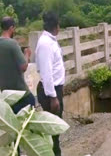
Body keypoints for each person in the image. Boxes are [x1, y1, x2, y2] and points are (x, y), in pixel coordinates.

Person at [36, 12, 65, 156]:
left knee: (55, 131)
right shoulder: (46, 43)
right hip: (50, 92)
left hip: (55, 90)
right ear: (56, 26)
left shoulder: (51, 40)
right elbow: (46, 73)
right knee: (52, 132)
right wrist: (53, 97)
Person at [0, 17, 35, 113]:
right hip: (20, 93)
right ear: (11, 28)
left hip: (6, 95)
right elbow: (23, 67)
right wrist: (27, 55)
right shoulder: (12, 44)